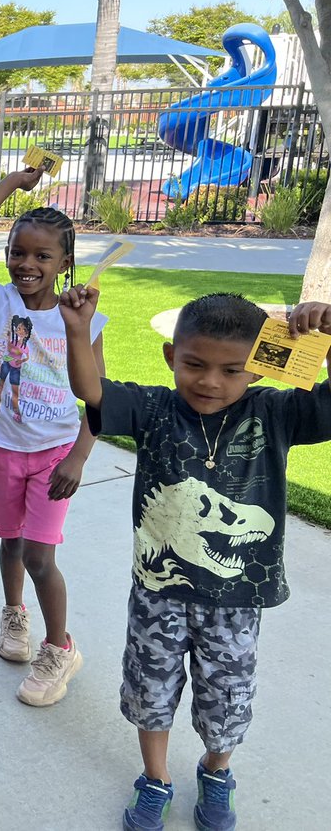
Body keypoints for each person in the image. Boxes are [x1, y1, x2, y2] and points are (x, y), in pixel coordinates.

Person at [60, 289, 331, 831]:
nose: (210, 382)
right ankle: (155, 779)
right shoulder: (155, 408)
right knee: (149, 691)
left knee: (226, 700)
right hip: (158, 594)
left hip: (236, 604)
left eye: (231, 369)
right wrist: (77, 329)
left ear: (256, 369)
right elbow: (89, 390)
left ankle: (216, 771)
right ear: (170, 358)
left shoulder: (276, 413)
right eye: (195, 364)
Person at [0, 168, 105, 706]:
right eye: (19, 252)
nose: (27, 264)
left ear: (65, 263)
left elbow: (97, 400)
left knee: (41, 556)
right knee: (11, 541)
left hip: (55, 456)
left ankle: (59, 646)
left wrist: (80, 459)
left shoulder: (84, 320)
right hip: (2, 448)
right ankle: (14, 616)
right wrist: (12, 182)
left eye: (43, 256)